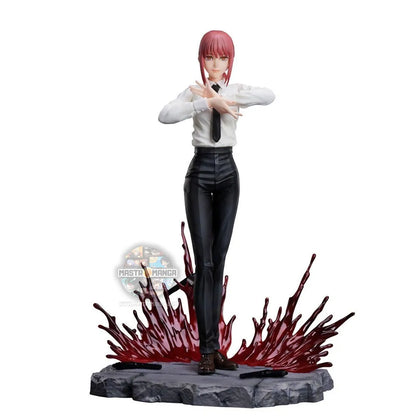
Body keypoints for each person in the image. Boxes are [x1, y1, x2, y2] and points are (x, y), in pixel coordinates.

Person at [158, 30, 275, 375]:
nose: (216, 64)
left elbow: (269, 96)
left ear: (230, 61)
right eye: (210, 57)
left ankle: (216, 348)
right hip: (199, 173)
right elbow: (165, 115)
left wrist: (226, 97)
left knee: (219, 263)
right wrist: (207, 103)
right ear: (201, 59)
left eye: (223, 57)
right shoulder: (193, 91)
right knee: (204, 264)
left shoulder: (235, 89)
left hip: (228, 173)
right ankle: (206, 351)